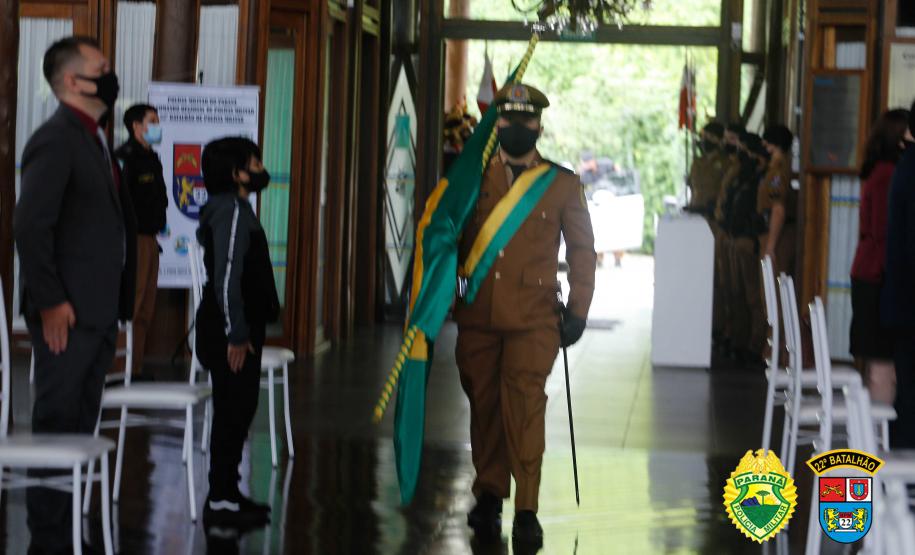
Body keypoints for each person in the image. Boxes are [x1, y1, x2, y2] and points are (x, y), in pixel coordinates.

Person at [453, 83, 596, 548]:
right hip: (477, 316)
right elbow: (443, 238)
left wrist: (578, 310)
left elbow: (582, 250)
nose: (517, 128)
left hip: (534, 321)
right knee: (485, 408)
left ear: (539, 125)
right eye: (508, 120)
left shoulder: (561, 183)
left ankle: (527, 507)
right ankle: (490, 494)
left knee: (525, 407)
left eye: (525, 121)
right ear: (499, 123)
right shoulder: (470, 175)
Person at [14, 36, 136, 554]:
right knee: (58, 429)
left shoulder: (93, 138)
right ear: (72, 81)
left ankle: (68, 534)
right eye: (101, 68)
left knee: (80, 432)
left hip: (97, 314)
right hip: (67, 313)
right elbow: (31, 225)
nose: (111, 75)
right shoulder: (57, 137)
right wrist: (49, 302)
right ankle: (48, 541)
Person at [195, 137, 279, 529]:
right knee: (232, 410)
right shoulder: (230, 211)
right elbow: (227, 279)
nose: (261, 169)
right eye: (254, 163)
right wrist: (236, 333)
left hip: (238, 327)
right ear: (236, 174)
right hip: (230, 331)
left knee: (238, 409)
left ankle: (227, 492)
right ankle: (221, 498)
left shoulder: (237, 208)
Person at [850, 109, 910, 405]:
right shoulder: (890, 175)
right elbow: (884, 233)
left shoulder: (877, 171)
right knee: (884, 367)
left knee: (878, 365)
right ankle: (878, 445)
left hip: (867, 271)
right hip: (877, 276)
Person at [116, 104, 168, 380]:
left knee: (146, 307)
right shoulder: (125, 158)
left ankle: (135, 368)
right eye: (153, 121)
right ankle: (119, 368)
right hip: (133, 240)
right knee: (131, 305)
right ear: (136, 126)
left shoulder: (152, 158)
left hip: (151, 239)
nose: (158, 125)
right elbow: (120, 202)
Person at [881, 102, 915, 448]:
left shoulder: (905, 166)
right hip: (909, 304)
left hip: (902, 301)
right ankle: (904, 488)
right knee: (909, 398)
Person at [722, 133, 769, 364]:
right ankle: (739, 340)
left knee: (754, 296)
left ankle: (755, 345)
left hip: (750, 240)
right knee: (736, 292)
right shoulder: (745, 175)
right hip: (736, 237)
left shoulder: (764, 177)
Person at [758, 125, 797, 278]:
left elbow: (778, 209)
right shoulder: (772, 169)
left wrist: (771, 246)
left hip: (777, 235)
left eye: (766, 143)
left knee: (773, 288)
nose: (763, 146)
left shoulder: (778, 171)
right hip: (769, 232)